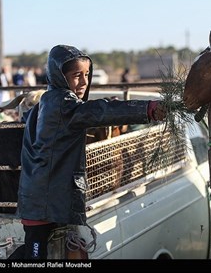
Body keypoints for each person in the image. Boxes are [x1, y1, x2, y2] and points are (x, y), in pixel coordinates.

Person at [16, 44, 167, 259]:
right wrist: (147, 109)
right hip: (44, 201)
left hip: (44, 196)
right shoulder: (63, 105)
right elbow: (100, 112)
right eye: (76, 75)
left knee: (39, 247)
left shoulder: (47, 102)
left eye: (87, 74)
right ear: (59, 77)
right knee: (35, 255)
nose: (84, 82)